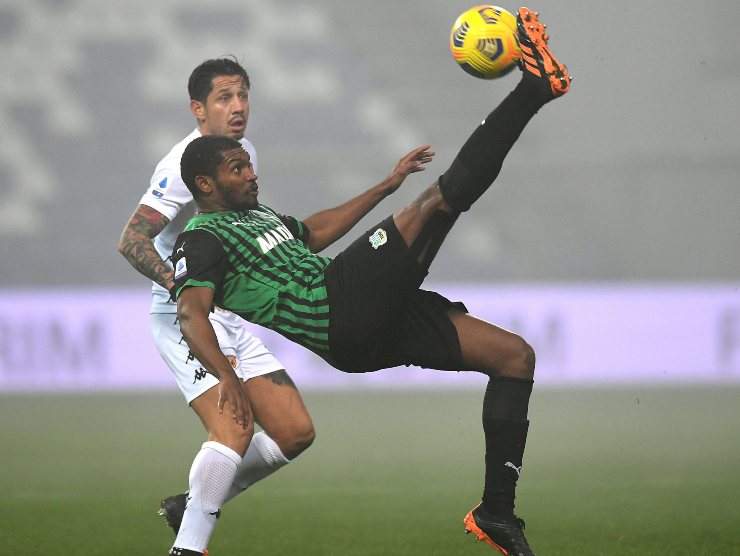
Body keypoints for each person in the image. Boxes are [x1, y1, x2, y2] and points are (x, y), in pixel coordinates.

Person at [171, 9, 569, 556]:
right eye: (238, 169)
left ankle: (496, 511)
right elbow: (191, 314)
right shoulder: (203, 237)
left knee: (514, 357)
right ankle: (534, 87)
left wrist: (385, 186)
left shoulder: (256, 217)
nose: (252, 173)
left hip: (366, 323)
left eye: (247, 165)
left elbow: (312, 231)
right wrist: (228, 380)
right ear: (205, 184)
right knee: (440, 202)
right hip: (338, 308)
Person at [117, 58, 323, 554]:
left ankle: (189, 505)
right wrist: (181, 286)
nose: (238, 107)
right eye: (224, 98)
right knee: (233, 428)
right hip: (186, 316)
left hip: (225, 314)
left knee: (294, 432)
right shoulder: (180, 167)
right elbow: (132, 239)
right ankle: (188, 546)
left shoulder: (240, 152)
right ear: (198, 108)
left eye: (243, 96)